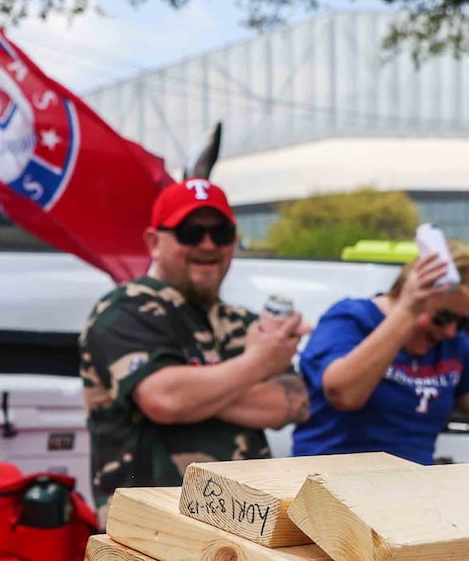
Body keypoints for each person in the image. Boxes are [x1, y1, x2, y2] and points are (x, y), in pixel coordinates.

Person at [80, 177, 309, 500]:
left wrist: (197, 392)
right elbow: (165, 399)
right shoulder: (124, 311)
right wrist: (258, 364)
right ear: (154, 242)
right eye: (190, 232)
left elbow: (291, 404)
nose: (208, 244)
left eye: (221, 233)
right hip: (153, 529)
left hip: (243, 524)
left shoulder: (240, 319)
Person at [292, 230, 469, 459]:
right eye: (442, 317)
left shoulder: (451, 345)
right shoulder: (351, 318)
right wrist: (407, 311)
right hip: (329, 492)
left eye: (461, 321)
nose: (449, 330)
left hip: (406, 497)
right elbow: (343, 394)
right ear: (408, 292)